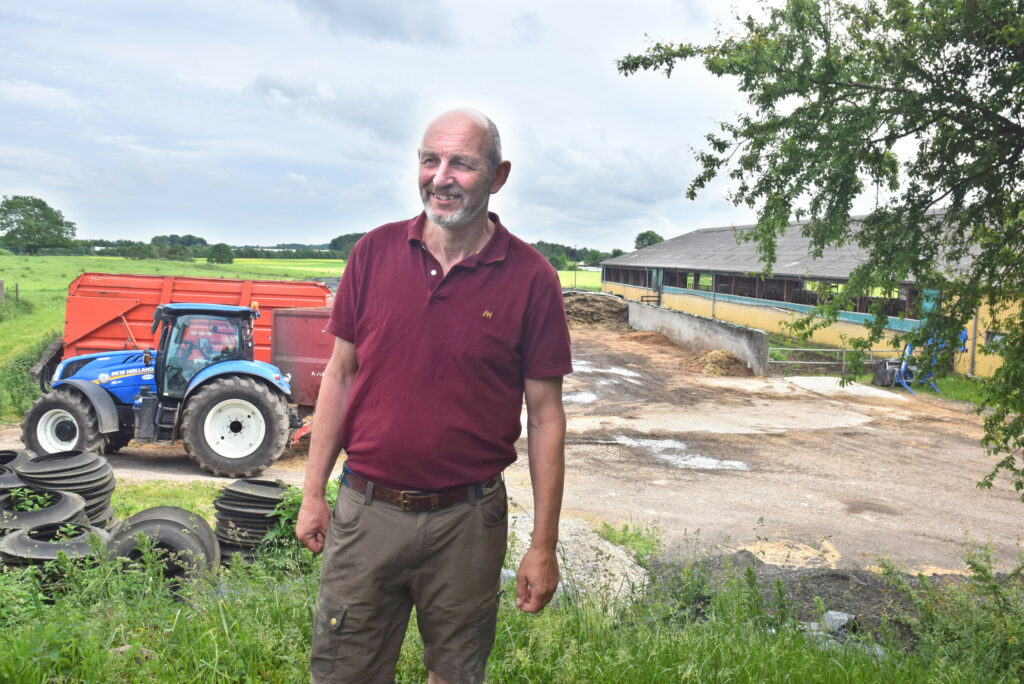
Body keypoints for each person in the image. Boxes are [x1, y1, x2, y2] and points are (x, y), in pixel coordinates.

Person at [296, 108, 573, 684]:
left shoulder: (531, 278)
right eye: (429, 159)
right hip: (365, 511)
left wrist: (542, 544)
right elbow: (340, 378)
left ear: (498, 177)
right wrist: (312, 492)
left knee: (456, 674)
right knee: (345, 672)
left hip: (466, 523)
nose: (440, 177)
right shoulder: (372, 254)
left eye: (461, 164)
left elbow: (546, 418)